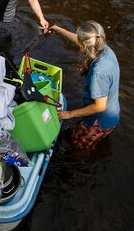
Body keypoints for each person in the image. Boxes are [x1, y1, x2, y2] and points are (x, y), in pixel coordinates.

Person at [50, 21, 120, 150]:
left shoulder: (98, 72)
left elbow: (99, 106)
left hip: (99, 122)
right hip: (111, 114)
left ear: (84, 44)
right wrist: (59, 30)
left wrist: (70, 114)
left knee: (78, 146)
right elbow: (81, 41)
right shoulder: (105, 49)